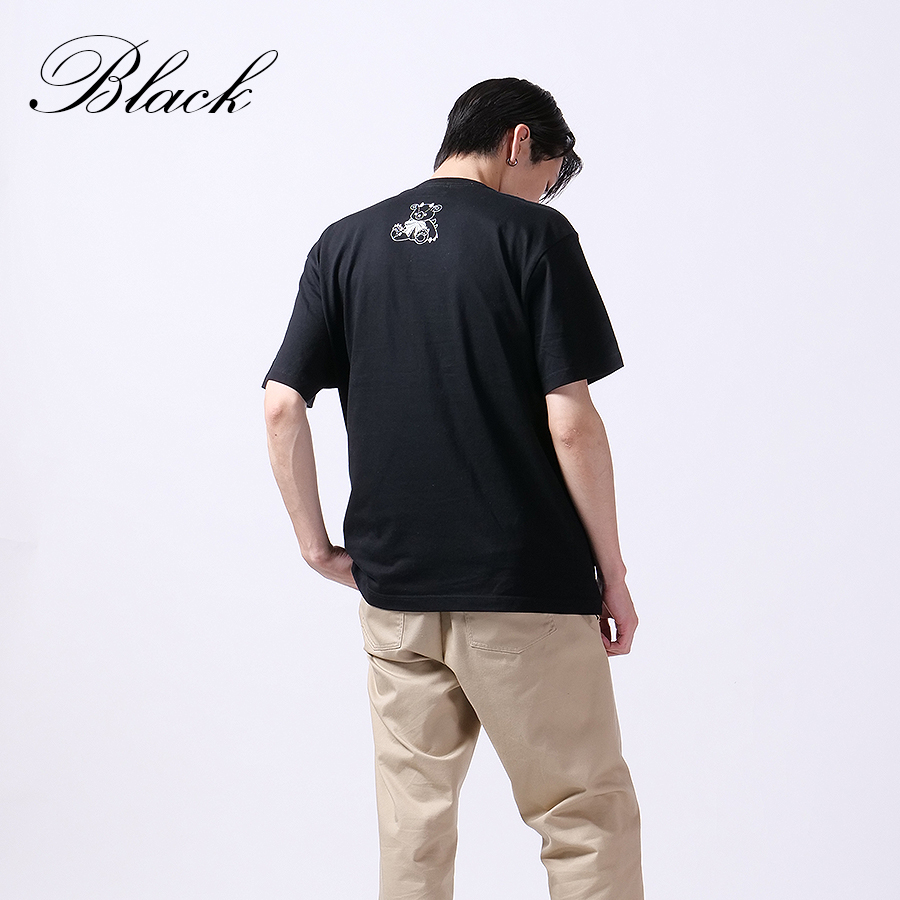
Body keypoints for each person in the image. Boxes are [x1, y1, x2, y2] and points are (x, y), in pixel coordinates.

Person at [262, 77, 643, 900]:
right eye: (545, 177)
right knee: (582, 815)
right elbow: (571, 422)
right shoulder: (534, 235)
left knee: (414, 828)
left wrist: (316, 546)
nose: (540, 197)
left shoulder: (342, 243)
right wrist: (612, 574)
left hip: (395, 594)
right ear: (518, 141)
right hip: (524, 588)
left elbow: (282, 404)